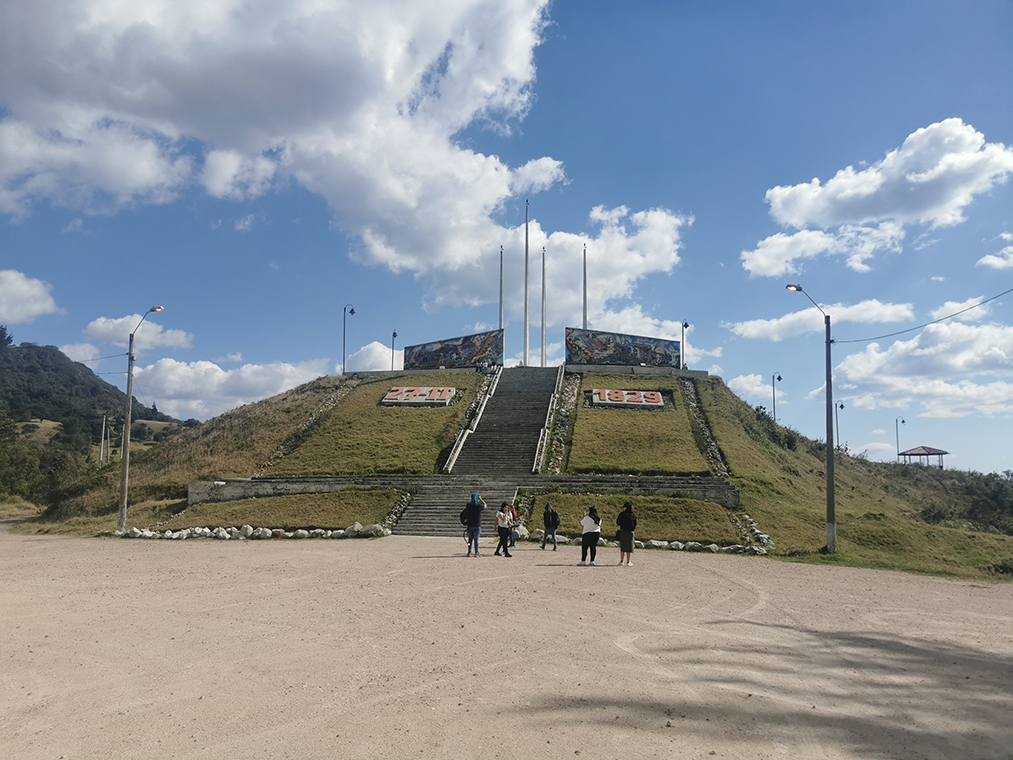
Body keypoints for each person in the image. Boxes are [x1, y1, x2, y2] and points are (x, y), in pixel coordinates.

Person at [616, 501, 637, 566]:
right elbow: (635, 523)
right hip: (630, 532)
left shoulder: (622, 514)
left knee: (623, 547)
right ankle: (628, 561)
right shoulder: (633, 515)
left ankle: (621, 561)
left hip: (623, 531)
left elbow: (618, 522)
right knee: (629, 547)